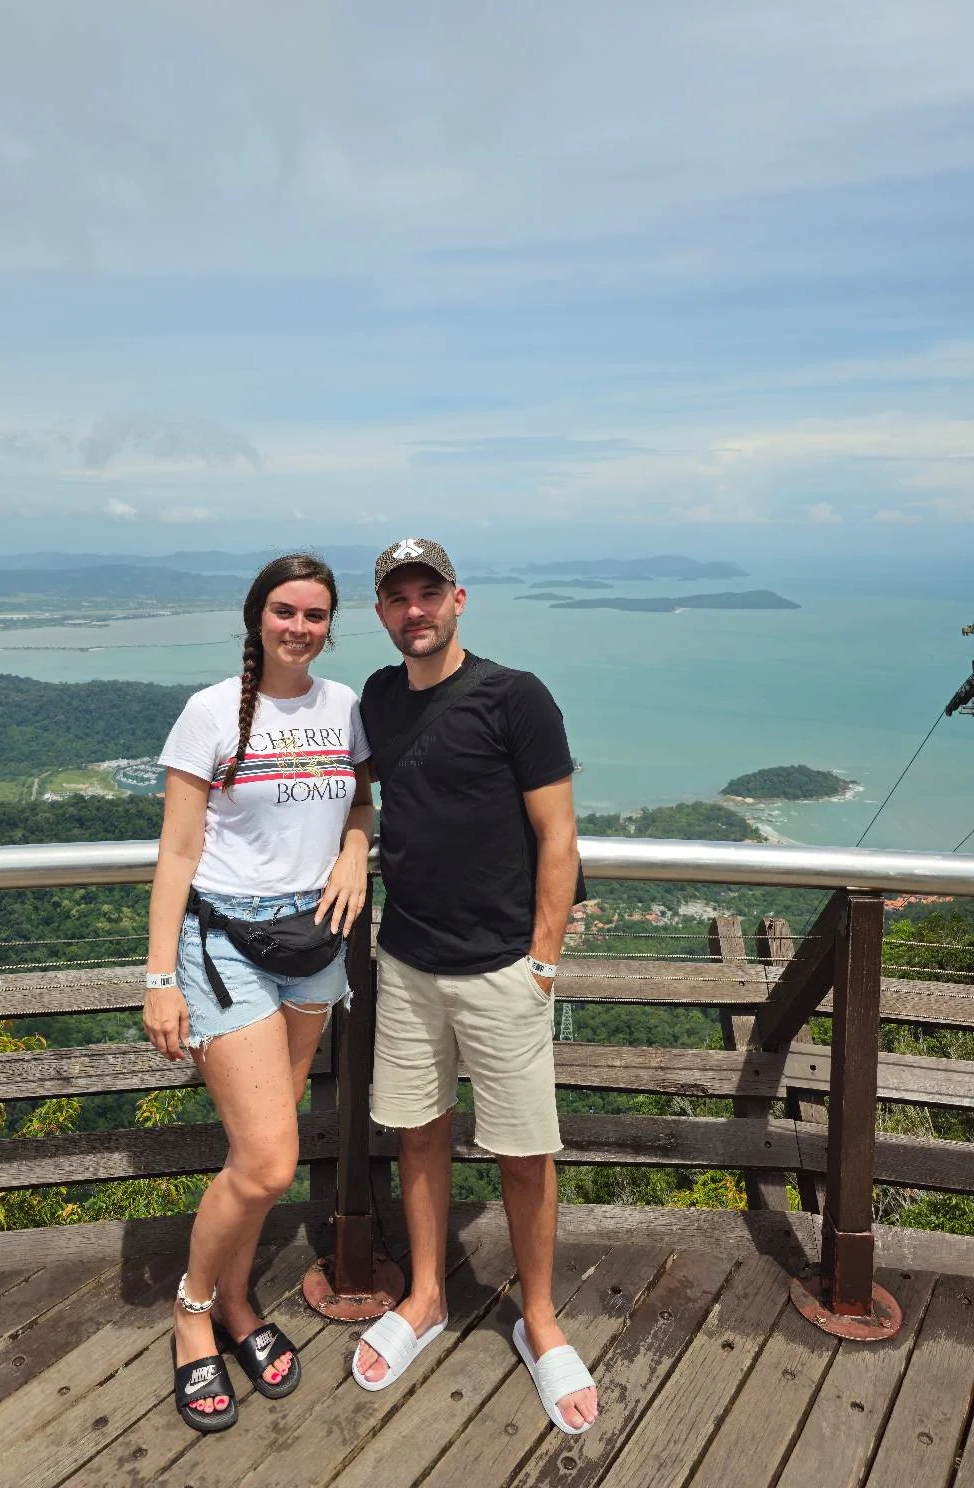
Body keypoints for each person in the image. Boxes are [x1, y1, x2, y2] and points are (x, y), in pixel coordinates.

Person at [352, 537, 596, 1436]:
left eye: (428, 593)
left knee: (525, 1152)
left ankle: (540, 1319)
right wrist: (349, 850)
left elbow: (558, 834)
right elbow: (351, 790)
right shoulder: (379, 697)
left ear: (460, 599)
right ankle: (425, 1297)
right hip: (409, 963)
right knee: (418, 1133)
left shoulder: (514, 697)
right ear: (381, 614)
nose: (414, 611)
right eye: (396, 599)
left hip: (502, 969)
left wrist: (541, 961)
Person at [145, 553, 374, 1435]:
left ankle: (238, 1302)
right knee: (272, 1158)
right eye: (285, 611)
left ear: (329, 626)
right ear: (257, 618)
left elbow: (359, 805)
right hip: (226, 945)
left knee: (259, 1155)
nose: (300, 628)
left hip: (316, 939)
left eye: (315, 616)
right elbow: (175, 851)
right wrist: (160, 977)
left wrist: (357, 847)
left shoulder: (345, 706)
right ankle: (192, 1311)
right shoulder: (208, 712)